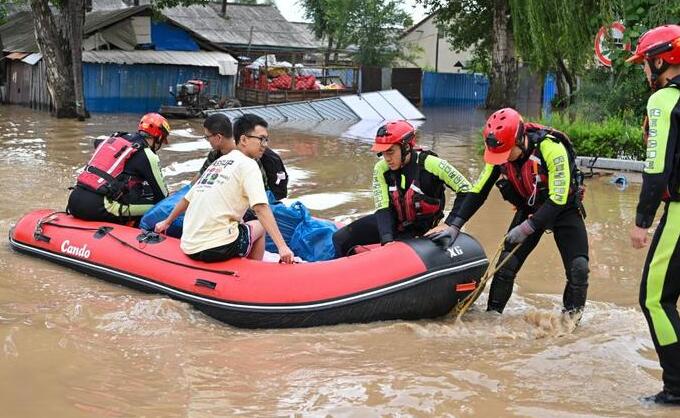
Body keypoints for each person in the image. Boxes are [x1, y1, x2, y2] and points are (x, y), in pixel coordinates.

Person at [454, 108, 589, 317]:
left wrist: (527, 228)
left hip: (563, 209)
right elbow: (478, 191)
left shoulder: (550, 148)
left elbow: (558, 198)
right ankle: (492, 317)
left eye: (505, 152)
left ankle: (571, 322)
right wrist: (455, 224)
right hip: (530, 207)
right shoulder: (499, 156)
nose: (501, 158)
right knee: (506, 265)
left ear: (519, 140)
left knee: (579, 269)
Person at [154, 115, 294, 264]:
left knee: (240, 220)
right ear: (244, 139)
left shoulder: (218, 162)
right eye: (261, 139)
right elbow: (260, 208)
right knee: (259, 225)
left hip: (189, 245)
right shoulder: (249, 164)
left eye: (266, 139)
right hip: (217, 248)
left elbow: (187, 198)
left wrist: (166, 222)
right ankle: (254, 270)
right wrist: (282, 247)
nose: (265, 144)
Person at [627, 24, 680, 406]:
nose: (645, 71)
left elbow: (656, 167)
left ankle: (676, 387)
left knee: (655, 299)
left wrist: (642, 220)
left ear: (661, 60)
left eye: (646, 63)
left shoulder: (663, 100)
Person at [332, 120, 472, 257]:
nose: (386, 158)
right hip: (395, 223)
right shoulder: (381, 169)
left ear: (406, 147)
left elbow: (467, 191)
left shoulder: (433, 164)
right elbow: (383, 208)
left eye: (391, 152)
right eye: (383, 153)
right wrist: (387, 240)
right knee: (340, 238)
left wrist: (449, 224)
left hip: (423, 230)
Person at [66, 112, 170, 224]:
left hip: (74, 199)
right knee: (161, 206)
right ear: (159, 137)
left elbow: (98, 141)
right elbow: (163, 196)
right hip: (98, 207)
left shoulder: (115, 139)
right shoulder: (148, 154)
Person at [192, 113, 288, 201]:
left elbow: (261, 197)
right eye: (262, 139)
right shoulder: (215, 155)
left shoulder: (253, 160)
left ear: (218, 137)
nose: (265, 145)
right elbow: (198, 181)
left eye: (207, 137)